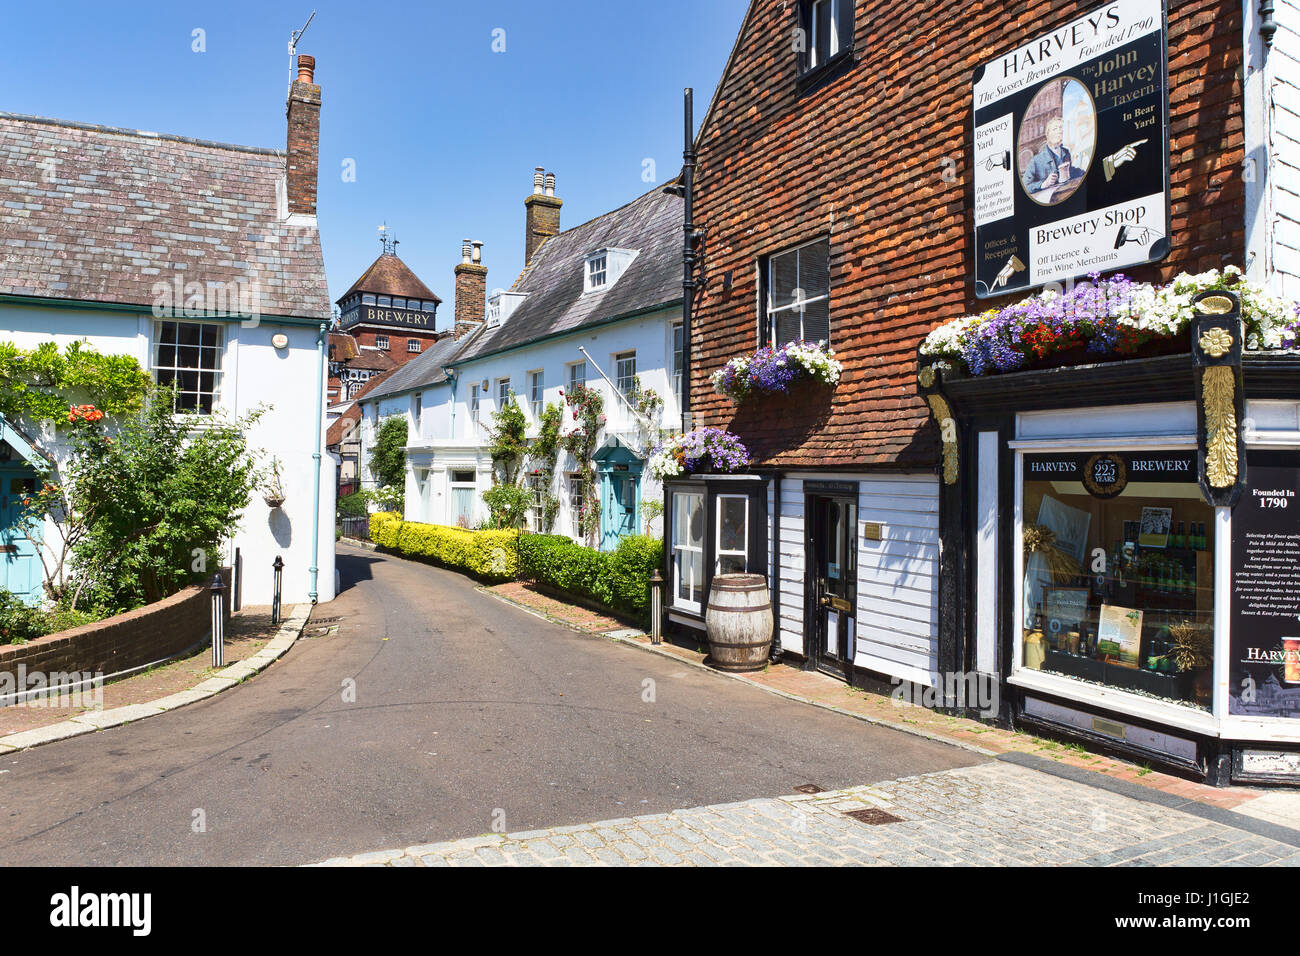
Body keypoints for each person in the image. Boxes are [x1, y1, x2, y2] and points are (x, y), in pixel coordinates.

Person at [1021, 117, 1078, 196]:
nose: (1059, 131)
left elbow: (1072, 171)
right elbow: (1024, 186)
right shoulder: (1036, 161)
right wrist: (1044, 184)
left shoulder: (1066, 152)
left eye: (1061, 128)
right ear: (1047, 134)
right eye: (1055, 129)